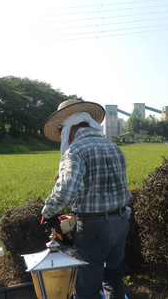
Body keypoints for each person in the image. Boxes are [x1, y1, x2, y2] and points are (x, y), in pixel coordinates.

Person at [41, 99, 133, 299]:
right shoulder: (113, 146)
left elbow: (65, 190)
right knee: (112, 276)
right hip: (121, 221)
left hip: (94, 228)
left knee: (87, 286)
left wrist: (47, 212)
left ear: (69, 129)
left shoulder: (75, 151)